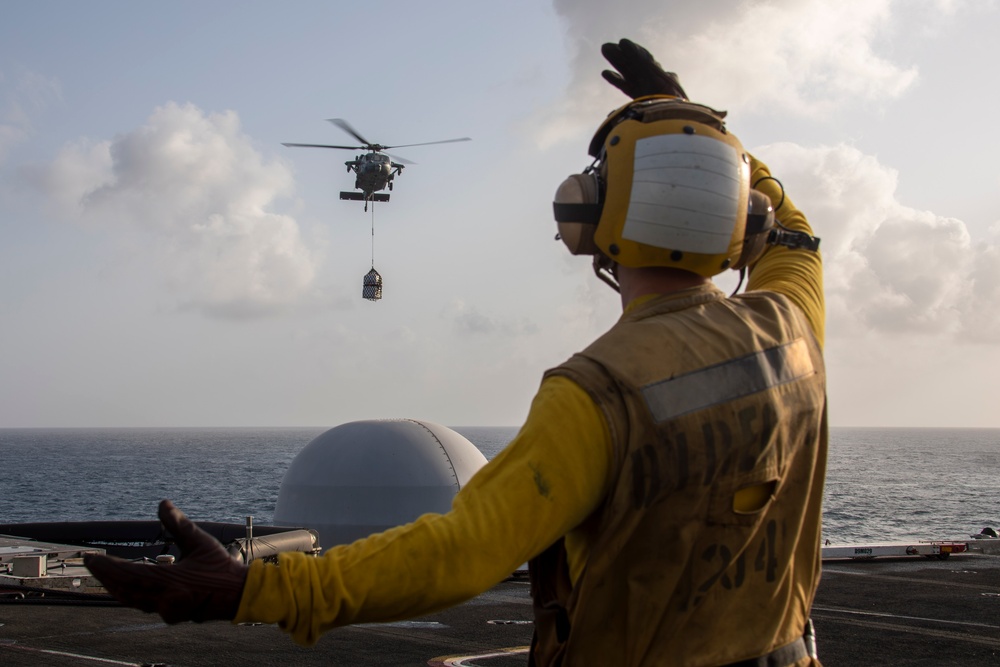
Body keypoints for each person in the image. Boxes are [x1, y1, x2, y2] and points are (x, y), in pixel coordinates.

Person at [85, 39, 826, 666]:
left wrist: (256, 588)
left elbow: (460, 551)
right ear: (744, 218)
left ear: (589, 215)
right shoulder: (795, 325)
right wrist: (688, 123)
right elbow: (794, 229)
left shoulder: (598, 392)